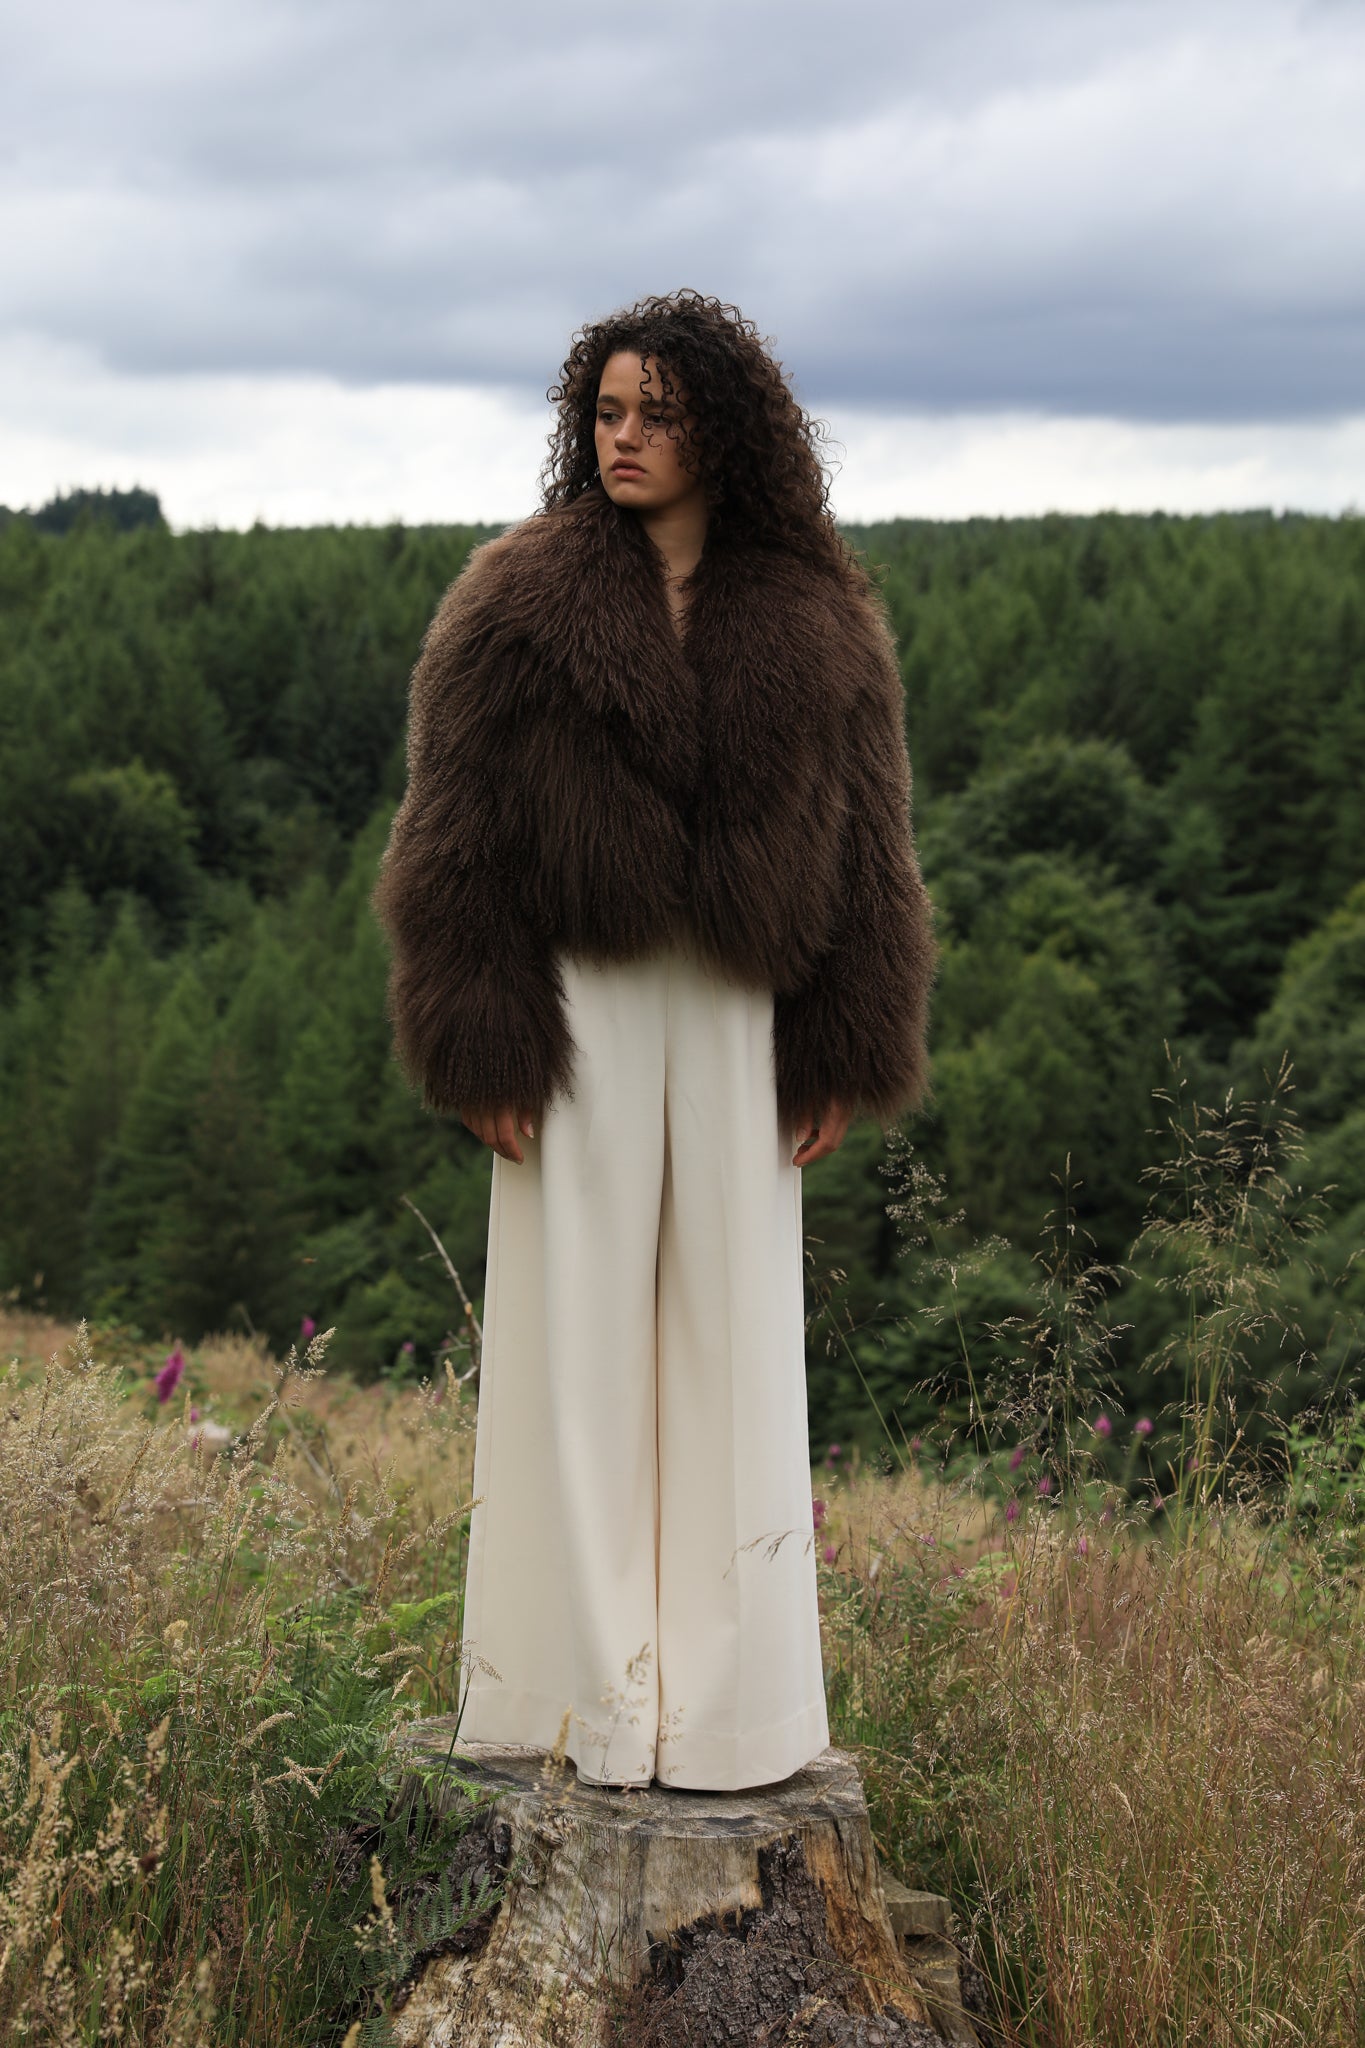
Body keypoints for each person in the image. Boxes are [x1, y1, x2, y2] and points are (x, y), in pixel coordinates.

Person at [373, 289, 936, 1792]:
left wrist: (842, 1045)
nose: (624, 437)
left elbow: (875, 857)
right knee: (573, 1344)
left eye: (658, 414)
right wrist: (480, 1040)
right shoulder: (512, 602)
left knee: (735, 1350)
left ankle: (735, 1715)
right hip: (579, 1005)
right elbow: (450, 840)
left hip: (746, 1010)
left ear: (726, 434)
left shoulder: (822, 619)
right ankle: (575, 1703)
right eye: (608, 412)